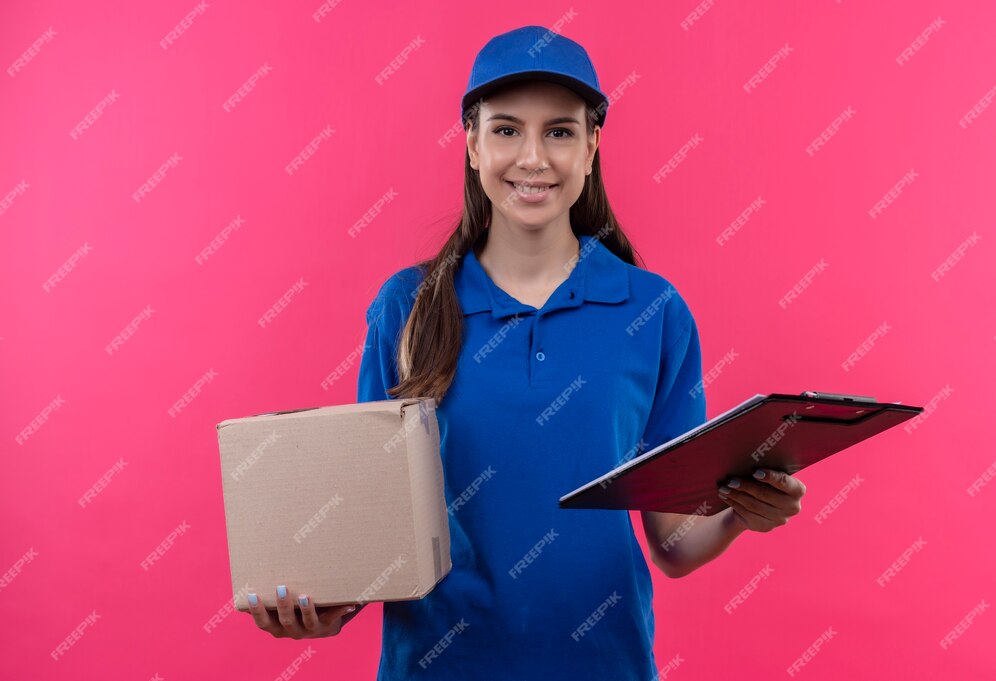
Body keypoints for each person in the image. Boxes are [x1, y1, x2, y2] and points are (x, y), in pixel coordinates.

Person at [247, 25, 807, 678]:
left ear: (593, 145)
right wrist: (325, 606)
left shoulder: (653, 312)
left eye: (560, 131)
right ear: (473, 144)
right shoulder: (406, 307)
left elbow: (674, 543)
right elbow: (377, 536)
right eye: (507, 129)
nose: (533, 157)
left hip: (606, 664)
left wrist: (742, 512)